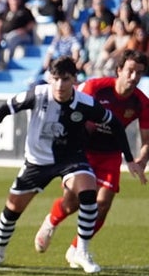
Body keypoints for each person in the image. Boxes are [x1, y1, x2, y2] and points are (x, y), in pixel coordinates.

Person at [0, 56, 139, 274]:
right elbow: (4, 109)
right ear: (49, 78)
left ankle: (82, 252)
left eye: (65, 79)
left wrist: (130, 159)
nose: (59, 85)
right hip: (37, 162)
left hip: (71, 159)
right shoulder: (38, 95)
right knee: (12, 210)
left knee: (88, 192)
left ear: (74, 80)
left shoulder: (85, 103)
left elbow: (114, 123)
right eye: (55, 79)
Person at [33, 50, 149, 262]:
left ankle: (78, 249)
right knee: (72, 203)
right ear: (119, 70)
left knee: (103, 202)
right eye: (130, 71)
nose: (134, 77)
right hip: (82, 151)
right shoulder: (96, 87)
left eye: (139, 73)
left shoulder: (141, 102)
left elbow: (146, 138)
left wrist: (142, 160)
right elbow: (69, 107)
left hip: (111, 154)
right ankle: (52, 221)